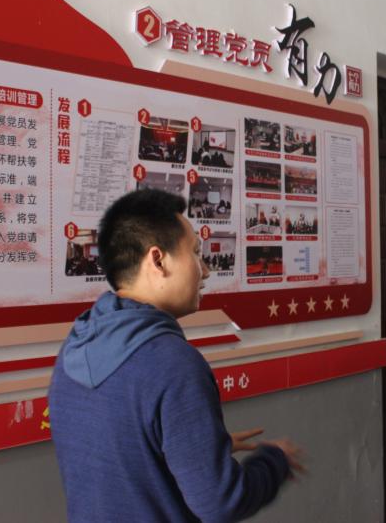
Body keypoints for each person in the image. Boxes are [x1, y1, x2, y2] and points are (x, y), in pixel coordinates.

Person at [47, 189, 303, 522]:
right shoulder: (173, 364)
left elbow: (123, 455)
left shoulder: (75, 347)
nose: (205, 271)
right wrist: (274, 461)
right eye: (195, 252)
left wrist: (199, 450)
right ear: (158, 260)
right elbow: (221, 502)